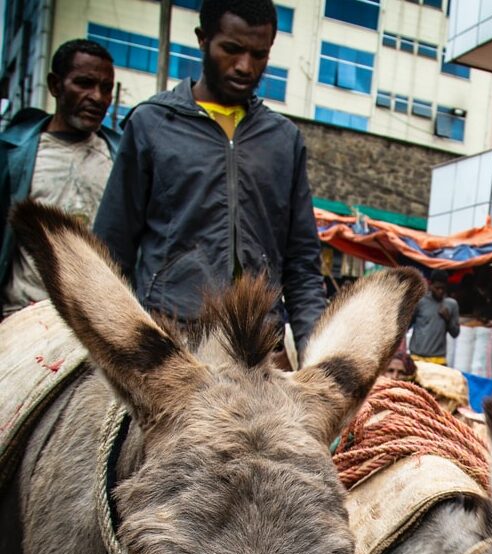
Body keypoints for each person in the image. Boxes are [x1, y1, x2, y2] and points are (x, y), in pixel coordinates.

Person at [93, 0, 325, 347]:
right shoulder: (151, 125)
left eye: (259, 54)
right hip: (171, 343)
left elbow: (303, 265)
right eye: (231, 50)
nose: (245, 66)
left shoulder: (283, 141)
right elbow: (111, 252)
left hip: (259, 348)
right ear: (203, 39)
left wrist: (317, 355)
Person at [1, 39, 118, 317]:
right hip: (23, 315)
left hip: (94, 324)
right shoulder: (13, 156)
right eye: (84, 83)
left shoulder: (120, 157)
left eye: (106, 88)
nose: (98, 97)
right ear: (55, 85)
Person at [410, 269, 460, 364]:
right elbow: (407, 325)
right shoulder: (420, 302)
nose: (440, 291)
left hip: (438, 359)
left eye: (443, 288)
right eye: (437, 288)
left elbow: (455, 333)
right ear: (430, 285)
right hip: (416, 357)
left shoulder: (452, 305)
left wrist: (448, 319)